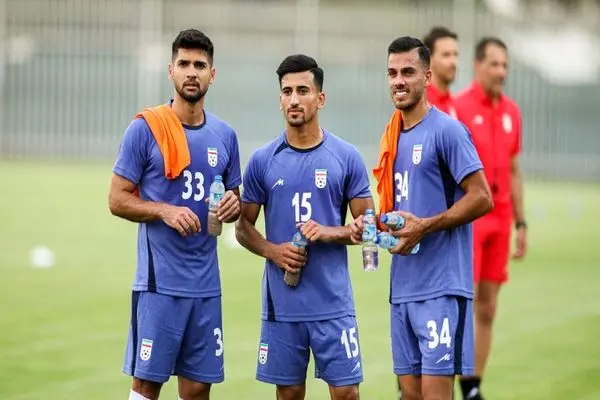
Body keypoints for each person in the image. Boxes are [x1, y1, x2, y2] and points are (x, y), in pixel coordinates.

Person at [108, 29, 242, 400]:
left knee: (198, 388)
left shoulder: (225, 136)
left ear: (212, 74)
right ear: (171, 71)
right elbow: (116, 199)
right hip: (159, 285)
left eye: (200, 65)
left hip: (206, 286)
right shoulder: (146, 129)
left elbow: (234, 199)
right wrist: (163, 210)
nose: (191, 72)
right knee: (147, 384)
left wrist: (233, 206)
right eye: (184, 64)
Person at [235, 54, 374, 400]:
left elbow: (370, 227)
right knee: (289, 395)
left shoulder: (346, 157)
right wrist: (273, 252)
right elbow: (243, 227)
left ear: (320, 98)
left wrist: (330, 232)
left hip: (333, 303)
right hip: (283, 305)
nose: (294, 100)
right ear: (279, 100)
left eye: (303, 90)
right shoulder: (263, 160)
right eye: (287, 92)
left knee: (346, 394)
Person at [365, 36, 494, 400]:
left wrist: (425, 226)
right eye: (392, 73)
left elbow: (482, 197)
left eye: (408, 72)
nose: (398, 81)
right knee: (409, 396)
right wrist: (374, 226)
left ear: (427, 77)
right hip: (402, 287)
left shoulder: (447, 131)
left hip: (441, 287)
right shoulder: (392, 136)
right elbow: (402, 208)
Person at [454, 37, 527, 400]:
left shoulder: (512, 111)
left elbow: (514, 169)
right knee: (460, 304)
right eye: (495, 64)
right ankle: (440, 379)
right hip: (471, 220)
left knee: (488, 306)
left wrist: (521, 223)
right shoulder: (460, 108)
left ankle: (472, 386)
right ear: (478, 65)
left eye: (505, 65)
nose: (501, 72)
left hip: (501, 219)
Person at [423, 26, 460, 118]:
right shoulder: (421, 104)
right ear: (429, 59)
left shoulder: (453, 103)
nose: (453, 62)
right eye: (446, 55)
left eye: (455, 54)